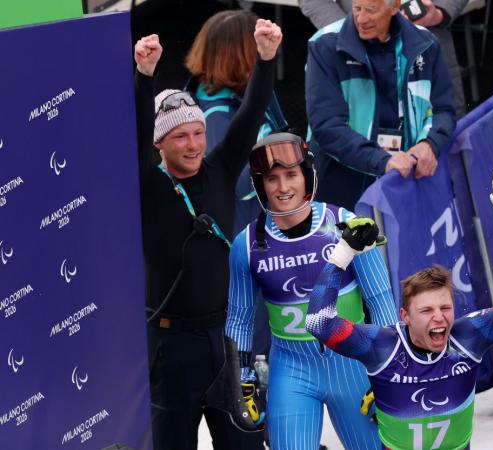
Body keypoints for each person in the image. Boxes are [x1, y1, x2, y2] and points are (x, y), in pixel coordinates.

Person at [133, 19, 281, 450]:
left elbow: (251, 114)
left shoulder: (218, 168)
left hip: (230, 340)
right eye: (180, 136)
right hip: (172, 346)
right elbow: (137, 136)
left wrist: (266, 59)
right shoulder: (149, 184)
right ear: (161, 144)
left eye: (198, 132)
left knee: (247, 445)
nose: (195, 144)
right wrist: (144, 76)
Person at [306, 216, 493, 449]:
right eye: (426, 310)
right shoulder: (383, 347)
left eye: (445, 307)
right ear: (405, 317)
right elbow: (319, 323)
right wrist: (342, 254)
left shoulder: (468, 337)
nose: (439, 317)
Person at [225, 132, 398, 449]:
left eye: (291, 175)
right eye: (272, 179)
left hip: (353, 366)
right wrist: (242, 379)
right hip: (291, 370)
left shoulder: (346, 224)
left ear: (306, 176)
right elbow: (239, 319)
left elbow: (381, 299)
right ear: (260, 185)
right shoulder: (246, 246)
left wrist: (388, 368)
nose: (283, 188)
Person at [304, 0, 456, 210]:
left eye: (370, 11)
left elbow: (444, 108)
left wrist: (429, 143)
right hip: (341, 182)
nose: (361, 19)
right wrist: (381, 160)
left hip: (406, 177)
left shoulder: (425, 43)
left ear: (394, 7)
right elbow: (326, 126)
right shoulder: (324, 45)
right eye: (357, 8)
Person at [185, 9, 290, 235]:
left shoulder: (248, 90)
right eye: (258, 45)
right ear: (239, 55)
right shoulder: (215, 115)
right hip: (248, 235)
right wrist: (285, 158)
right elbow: (237, 182)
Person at [298, 0, 467, 118]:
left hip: (428, 48)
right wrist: (353, 29)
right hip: (359, 57)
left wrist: (439, 13)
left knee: (446, 140)